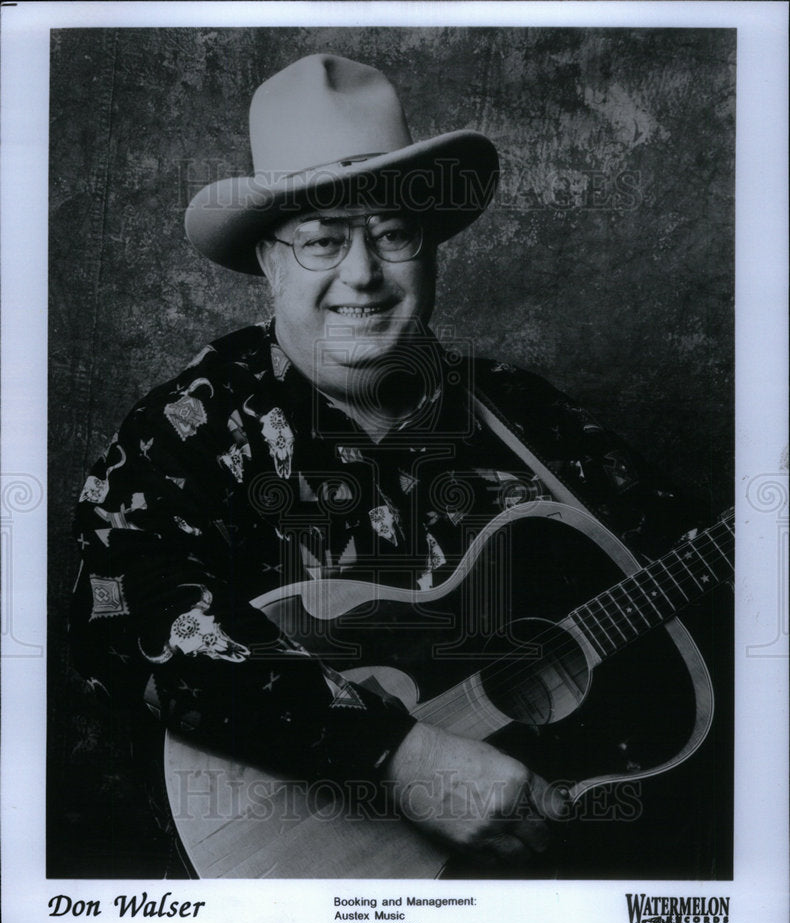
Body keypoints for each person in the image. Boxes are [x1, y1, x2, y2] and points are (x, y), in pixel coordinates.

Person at [70, 54, 721, 877]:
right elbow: (123, 618)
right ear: (269, 262)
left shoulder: (530, 417)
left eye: (393, 232)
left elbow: (698, 564)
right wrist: (398, 757)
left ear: (433, 250)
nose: (363, 273)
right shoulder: (190, 427)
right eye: (322, 240)